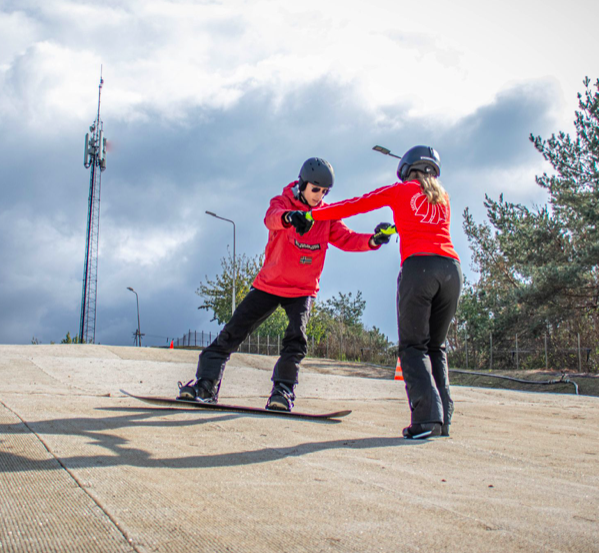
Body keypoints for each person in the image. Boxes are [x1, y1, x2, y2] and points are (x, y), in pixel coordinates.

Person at [178, 157, 392, 411]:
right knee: (233, 331)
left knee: (296, 340)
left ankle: (282, 391)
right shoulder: (281, 203)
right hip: (270, 284)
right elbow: (272, 218)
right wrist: (291, 217)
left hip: (302, 290)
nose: (319, 196)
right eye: (315, 190)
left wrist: (374, 239)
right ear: (302, 184)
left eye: (324, 192)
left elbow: (347, 238)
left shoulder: (326, 215)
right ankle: (205, 386)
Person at [290, 146, 462, 438]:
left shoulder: (400, 191)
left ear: (406, 170)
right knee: (436, 347)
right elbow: (421, 226)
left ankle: (426, 420)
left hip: (419, 269)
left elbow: (356, 204)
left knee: (413, 347)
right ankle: (443, 420)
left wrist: (314, 215)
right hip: (452, 271)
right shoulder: (443, 197)